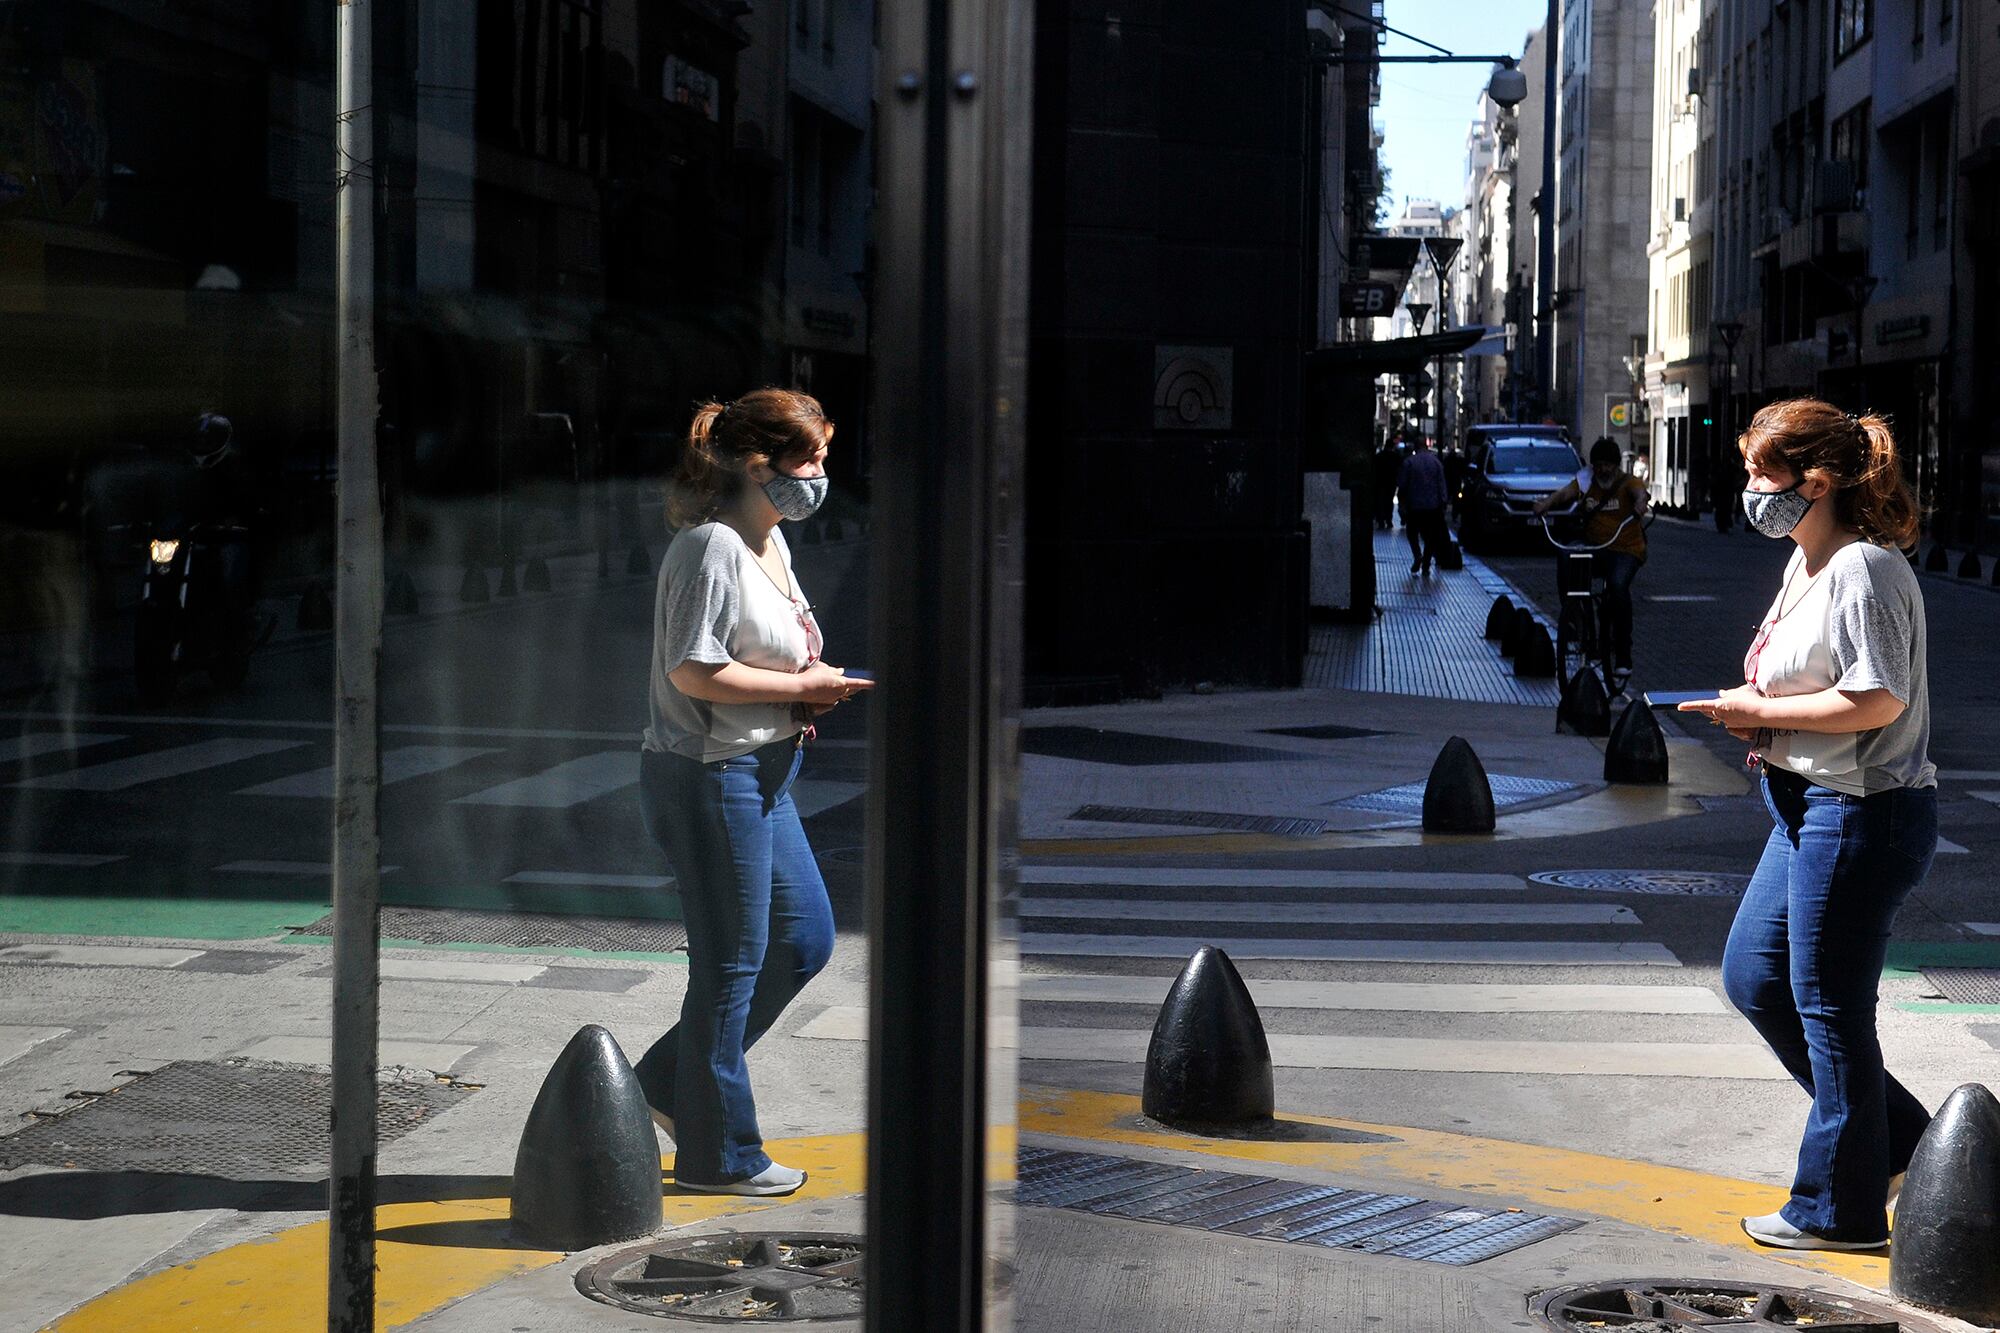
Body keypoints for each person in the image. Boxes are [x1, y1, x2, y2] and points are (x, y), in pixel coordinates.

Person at [1677, 398, 1934, 1253]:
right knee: (1756, 978)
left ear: (1815, 481)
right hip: (1801, 803)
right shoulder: (1808, 560)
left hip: (1860, 811)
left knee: (1828, 1007)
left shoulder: (1862, 566)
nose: (1748, 487)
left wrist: (1762, 713)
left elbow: (1877, 696)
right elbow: (1814, 683)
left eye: (1762, 472)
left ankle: (1839, 1208)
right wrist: (1758, 715)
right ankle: (1907, 1143)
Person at [635, 387, 873, 1197]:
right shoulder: (710, 546)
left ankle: (669, 1082)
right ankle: (720, 1153)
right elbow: (693, 669)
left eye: (824, 457)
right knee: (733, 964)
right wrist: (803, 685)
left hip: (766, 769)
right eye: (807, 458)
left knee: (802, 941)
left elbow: (757, 655)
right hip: (711, 775)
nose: (819, 474)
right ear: (752, 461)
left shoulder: (768, 542)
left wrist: (807, 689)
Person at [1534, 437, 1649, 687]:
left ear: (1616, 465)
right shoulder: (1586, 482)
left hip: (1626, 549)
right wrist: (1545, 504)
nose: (1603, 470)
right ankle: (1574, 614)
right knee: (1568, 558)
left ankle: (1623, 656)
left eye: (1608, 465)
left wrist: (1641, 504)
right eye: (1599, 465)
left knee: (1618, 587)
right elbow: (1564, 493)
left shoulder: (1628, 482)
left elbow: (1639, 493)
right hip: (1597, 548)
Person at [1394, 437, 1450, 576]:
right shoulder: (1436, 463)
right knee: (1430, 536)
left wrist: (1402, 504)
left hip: (1414, 505)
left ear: (1416, 447)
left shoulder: (1410, 462)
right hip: (1433, 506)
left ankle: (1417, 555)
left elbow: (1402, 484)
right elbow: (1442, 484)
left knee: (1412, 533)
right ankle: (1426, 562)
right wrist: (1443, 502)